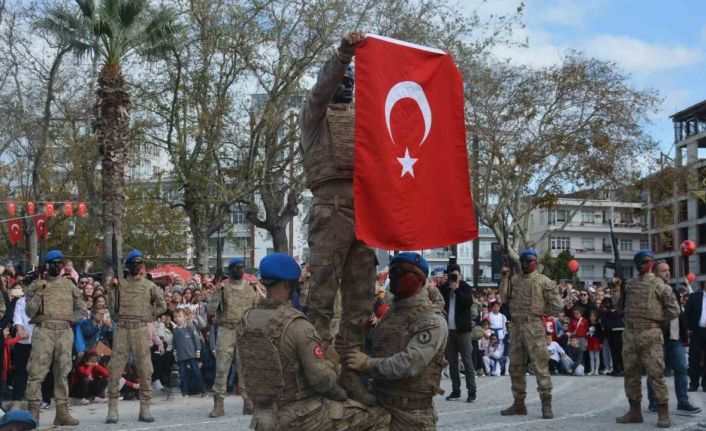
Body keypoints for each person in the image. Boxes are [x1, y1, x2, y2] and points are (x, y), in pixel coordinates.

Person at [299, 31, 376, 404]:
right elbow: (321, 88)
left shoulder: (365, 120)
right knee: (322, 301)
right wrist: (344, 55)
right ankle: (318, 373)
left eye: (350, 80)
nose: (344, 84)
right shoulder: (314, 115)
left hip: (365, 211)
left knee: (360, 301)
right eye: (339, 78)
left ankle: (351, 371)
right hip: (330, 211)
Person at [237, 253, 390, 431]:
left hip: (263, 415)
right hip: (301, 416)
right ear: (289, 284)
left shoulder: (245, 321)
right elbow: (322, 381)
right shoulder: (297, 325)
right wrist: (334, 369)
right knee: (379, 416)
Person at [344, 252, 447, 431]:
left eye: (401, 272)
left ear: (419, 278)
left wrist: (367, 364)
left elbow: (409, 363)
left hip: (411, 415)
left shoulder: (431, 321)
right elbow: (380, 346)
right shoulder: (391, 314)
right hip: (378, 404)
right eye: (393, 272)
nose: (394, 276)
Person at [615, 249, 679, 428]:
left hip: (650, 334)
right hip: (630, 334)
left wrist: (658, 321)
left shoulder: (660, 286)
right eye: (639, 261)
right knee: (630, 374)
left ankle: (663, 413)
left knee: (656, 374)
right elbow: (619, 307)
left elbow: (674, 310)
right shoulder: (629, 284)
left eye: (644, 261)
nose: (641, 265)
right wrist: (616, 288)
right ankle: (634, 411)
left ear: (651, 262)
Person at [24, 250, 87, 425]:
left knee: (63, 372)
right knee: (36, 373)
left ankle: (62, 413)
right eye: (55, 264)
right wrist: (39, 293)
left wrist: (69, 320)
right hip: (44, 332)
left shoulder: (69, 285)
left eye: (60, 264)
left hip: (64, 332)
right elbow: (29, 311)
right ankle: (33, 416)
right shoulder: (36, 285)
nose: (58, 267)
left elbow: (82, 308)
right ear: (47, 266)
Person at [499, 249, 562, 419]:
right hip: (516, 326)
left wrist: (541, 312)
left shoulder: (544, 281)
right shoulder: (514, 279)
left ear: (536, 262)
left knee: (540, 366)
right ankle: (519, 403)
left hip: (534, 326)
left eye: (529, 261)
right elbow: (504, 298)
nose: (526, 264)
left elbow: (558, 305)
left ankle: (546, 403)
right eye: (523, 261)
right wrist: (504, 278)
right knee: (516, 366)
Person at [106, 250, 167, 424]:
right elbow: (112, 310)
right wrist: (111, 290)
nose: (136, 266)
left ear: (141, 266)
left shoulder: (149, 286)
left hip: (140, 330)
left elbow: (162, 305)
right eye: (132, 264)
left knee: (145, 370)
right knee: (115, 369)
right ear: (127, 266)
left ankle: (145, 408)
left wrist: (149, 314)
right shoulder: (120, 285)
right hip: (122, 330)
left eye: (138, 264)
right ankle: (112, 409)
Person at [206, 257, 258, 417]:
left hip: (244, 331)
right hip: (226, 330)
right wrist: (217, 292)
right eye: (235, 267)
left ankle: (248, 402)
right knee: (222, 368)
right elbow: (211, 310)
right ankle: (218, 404)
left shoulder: (250, 290)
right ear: (230, 270)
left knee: (245, 369)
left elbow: (254, 311)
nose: (239, 270)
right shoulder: (223, 288)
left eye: (241, 267)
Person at [647, 260, 700, 413]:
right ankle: (654, 401)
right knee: (655, 372)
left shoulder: (673, 290)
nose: (668, 273)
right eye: (664, 271)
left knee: (682, 369)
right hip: (658, 338)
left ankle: (682, 401)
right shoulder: (651, 291)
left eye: (668, 270)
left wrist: (685, 332)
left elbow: (679, 313)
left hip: (675, 338)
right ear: (655, 273)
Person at [439, 263, 477, 402]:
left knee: (467, 362)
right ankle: (456, 391)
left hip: (463, 331)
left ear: (460, 274)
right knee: (452, 362)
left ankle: (472, 391)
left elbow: (467, 302)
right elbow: (437, 299)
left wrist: (458, 289)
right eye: (451, 275)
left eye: (456, 274)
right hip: (449, 331)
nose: (454, 277)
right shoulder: (445, 288)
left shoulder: (466, 287)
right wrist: (441, 285)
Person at [172, 308, 206, 398]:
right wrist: (175, 353)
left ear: (185, 317)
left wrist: (198, 350)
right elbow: (174, 343)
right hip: (181, 357)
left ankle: (203, 391)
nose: (177, 318)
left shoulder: (190, 328)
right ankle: (184, 392)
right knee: (183, 375)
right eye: (175, 316)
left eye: (180, 316)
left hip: (192, 355)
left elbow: (196, 340)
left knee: (197, 373)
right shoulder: (175, 331)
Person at [685, 277, 706, 392]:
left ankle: (705, 384)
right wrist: (687, 329)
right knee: (694, 358)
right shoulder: (695, 297)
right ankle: (693, 384)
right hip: (696, 331)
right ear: (704, 285)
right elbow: (686, 314)